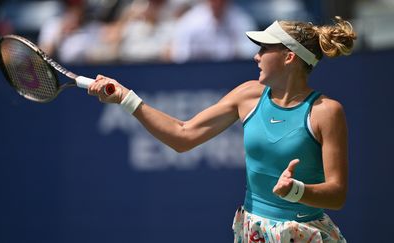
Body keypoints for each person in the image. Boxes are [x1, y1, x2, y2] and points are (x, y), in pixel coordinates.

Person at [88, 16, 356, 242]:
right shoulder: (248, 95)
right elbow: (183, 136)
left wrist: (296, 191)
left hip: (303, 233)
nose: (256, 55)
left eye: (264, 49)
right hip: (255, 231)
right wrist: (125, 98)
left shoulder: (326, 112)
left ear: (288, 56)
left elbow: (337, 194)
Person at [168, 0, 258, 63]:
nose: (218, 2)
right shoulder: (190, 21)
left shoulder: (241, 20)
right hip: (197, 75)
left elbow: (251, 52)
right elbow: (180, 56)